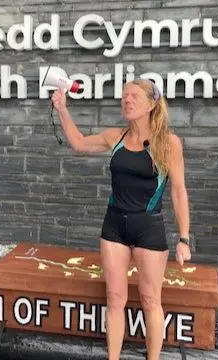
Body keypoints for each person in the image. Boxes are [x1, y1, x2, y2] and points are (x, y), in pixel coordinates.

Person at [51, 79, 191, 360]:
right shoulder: (115, 137)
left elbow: (178, 191)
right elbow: (78, 143)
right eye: (124, 96)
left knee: (151, 301)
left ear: (152, 104)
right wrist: (62, 109)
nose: (126, 100)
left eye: (134, 96)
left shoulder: (168, 143)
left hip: (148, 226)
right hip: (114, 225)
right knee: (115, 299)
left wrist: (184, 238)